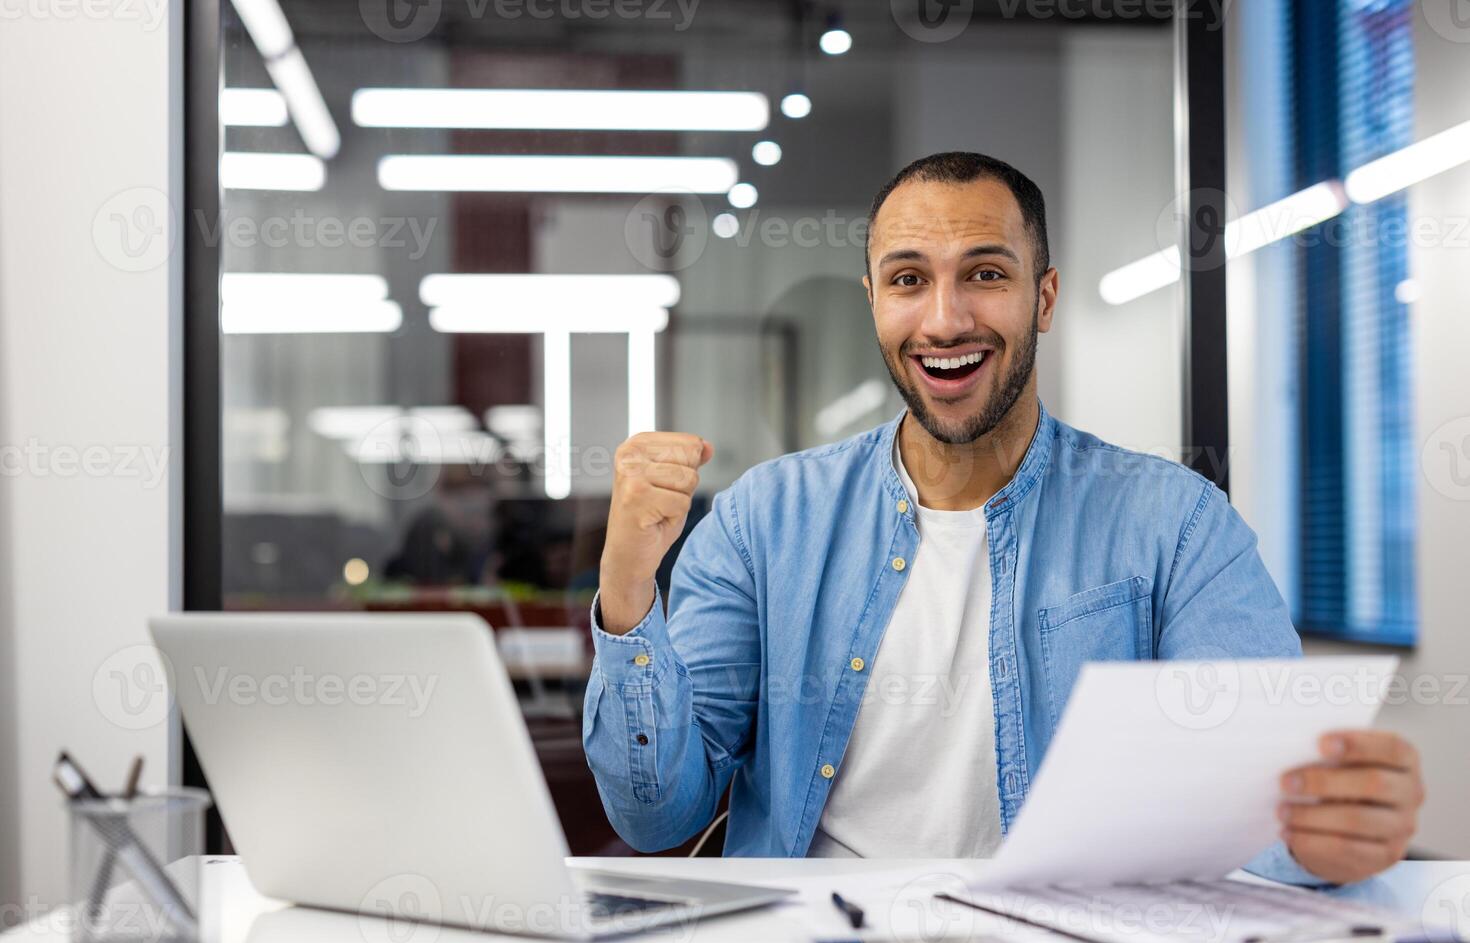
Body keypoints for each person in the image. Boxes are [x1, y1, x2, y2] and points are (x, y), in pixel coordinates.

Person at [583, 152, 1424, 885]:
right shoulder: (764, 521)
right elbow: (655, 817)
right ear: (874, 299)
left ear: (1044, 296)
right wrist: (626, 589)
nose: (945, 320)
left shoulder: (1176, 526)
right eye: (909, 279)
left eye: (986, 273)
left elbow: (1261, 810)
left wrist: (1327, 839)